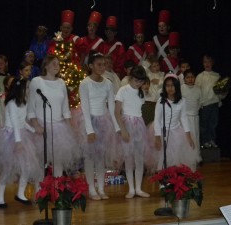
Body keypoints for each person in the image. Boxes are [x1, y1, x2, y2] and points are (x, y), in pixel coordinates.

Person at [0, 78, 41, 208]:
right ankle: (0, 198)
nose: (29, 90)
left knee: (27, 166)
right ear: (20, 89)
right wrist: (18, 141)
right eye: (27, 88)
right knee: (7, 168)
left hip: (21, 135)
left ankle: (21, 193)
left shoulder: (24, 103)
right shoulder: (11, 104)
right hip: (10, 137)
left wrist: (33, 130)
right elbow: (15, 123)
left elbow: (22, 122)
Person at [27, 54, 79, 178]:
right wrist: (36, 125)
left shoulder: (61, 82)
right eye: (54, 63)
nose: (57, 66)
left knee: (58, 160)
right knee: (40, 161)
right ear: (46, 66)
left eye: (58, 63)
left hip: (58, 127)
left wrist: (70, 128)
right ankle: (39, 192)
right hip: (41, 126)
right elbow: (31, 108)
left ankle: (57, 191)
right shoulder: (36, 81)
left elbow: (65, 108)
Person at [79, 51, 120, 200]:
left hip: (104, 122)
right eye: (99, 64)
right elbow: (84, 107)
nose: (102, 67)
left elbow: (111, 106)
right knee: (90, 157)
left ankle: (101, 188)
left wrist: (116, 128)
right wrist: (89, 130)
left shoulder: (108, 83)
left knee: (101, 157)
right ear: (91, 66)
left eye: (104, 64)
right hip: (89, 121)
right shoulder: (85, 83)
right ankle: (91, 188)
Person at [115, 65, 150, 199]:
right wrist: (123, 130)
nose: (139, 84)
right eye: (136, 81)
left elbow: (139, 109)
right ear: (130, 78)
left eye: (141, 81)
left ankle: (138, 188)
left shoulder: (141, 92)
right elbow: (117, 112)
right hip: (127, 124)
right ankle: (131, 189)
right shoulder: (123, 90)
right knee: (128, 158)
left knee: (139, 158)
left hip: (139, 124)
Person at [153, 73, 197, 171]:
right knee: (164, 157)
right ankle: (164, 181)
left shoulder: (182, 101)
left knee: (176, 157)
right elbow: (157, 119)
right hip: (162, 132)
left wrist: (188, 136)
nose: (170, 88)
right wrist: (157, 137)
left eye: (172, 85)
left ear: (177, 86)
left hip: (176, 131)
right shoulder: (161, 100)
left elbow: (184, 118)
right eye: (167, 86)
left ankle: (174, 180)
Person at [195, 55, 221, 148]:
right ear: (203, 63)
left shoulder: (217, 76)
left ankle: (212, 140)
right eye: (205, 62)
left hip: (214, 103)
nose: (207, 64)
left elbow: (220, 91)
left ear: (212, 63)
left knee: (213, 124)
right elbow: (197, 91)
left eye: (209, 62)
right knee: (204, 125)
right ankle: (204, 141)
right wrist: (199, 104)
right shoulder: (200, 76)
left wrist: (220, 98)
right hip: (204, 104)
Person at [181, 69, 202, 164]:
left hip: (195, 116)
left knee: (195, 136)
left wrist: (195, 112)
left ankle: (196, 157)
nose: (190, 79)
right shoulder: (181, 88)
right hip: (185, 117)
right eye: (188, 77)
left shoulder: (198, 89)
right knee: (186, 137)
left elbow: (199, 103)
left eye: (192, 77)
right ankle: (186, 157)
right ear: (184, 79)